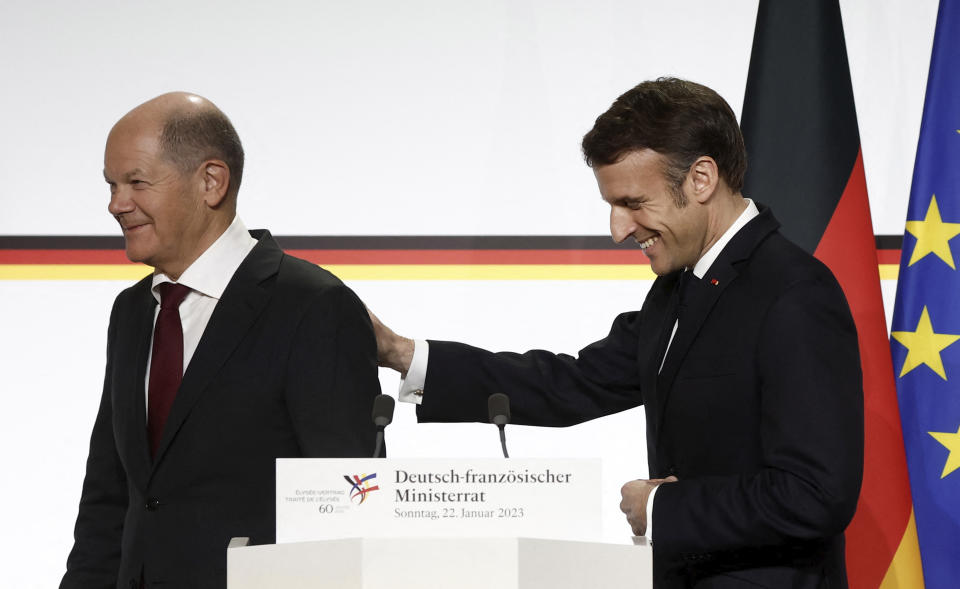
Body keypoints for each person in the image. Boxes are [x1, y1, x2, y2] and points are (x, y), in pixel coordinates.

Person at [372, 78, 863, 588]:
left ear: (700, 179)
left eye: (633, 202)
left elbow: (815, 495)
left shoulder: (793, 293)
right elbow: (574, 383)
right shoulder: (679, 286)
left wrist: (663, 507)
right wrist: (402, 354)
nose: (618, 229)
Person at [60, 92, 381, 588]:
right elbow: (109, 499)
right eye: (111, 185)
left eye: (136, 182)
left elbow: (352, 508)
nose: (116, 205)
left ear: (211, 181)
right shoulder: (131, 311)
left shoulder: (312, 306)